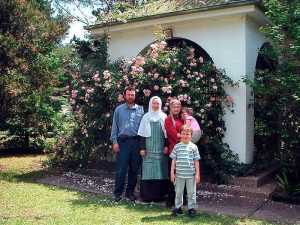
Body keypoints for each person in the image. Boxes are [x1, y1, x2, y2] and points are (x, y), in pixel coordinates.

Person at [110, 86, 144, 202]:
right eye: (129, 94)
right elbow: (114, 128)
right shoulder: (119, 110)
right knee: (121, 169)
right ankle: (117, 194)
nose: (131, 97)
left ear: (135, 96)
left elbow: (143, 129)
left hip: (136, 143)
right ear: (125, 96)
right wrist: (114, 142)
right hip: (123, 143)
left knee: (134, 170)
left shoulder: (140, 110)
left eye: (132, 94)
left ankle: (130, 193)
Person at [137, 96, 169, 201]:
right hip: (148, 148)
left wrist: (166, 146)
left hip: (160, 149)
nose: (156, 105)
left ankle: (160, 196)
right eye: (154, 103)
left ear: (160, 105)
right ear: (151, 104)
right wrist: (142, 148)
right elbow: (141, 134)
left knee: (160, 171)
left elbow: (167, 134)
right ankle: (147, 196)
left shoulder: (164, 117)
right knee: (148, 171)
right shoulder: (146, 117)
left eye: (157, 104)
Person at [170, 124, 201, 218]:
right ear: (180, 134)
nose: (185, 136)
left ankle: (192, 209)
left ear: (191, 135)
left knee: (191, 192)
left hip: (190, 175)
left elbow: (196, 161)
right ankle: (178, 208)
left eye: (188, 134)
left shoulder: (194, 147)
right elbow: (173, 161)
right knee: (178, 192)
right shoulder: (177, 147)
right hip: (179, 175)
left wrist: (197, 174)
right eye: (183, 134)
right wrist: (172, 173)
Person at [164, 99, 184, 207]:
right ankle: (170, 198)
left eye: (177, 107)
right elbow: (174, 135)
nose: (176, 109)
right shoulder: (168, 120)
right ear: (170, 108)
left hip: (185, 152)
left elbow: (188, 130)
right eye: (174, 107)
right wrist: (185, 138)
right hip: (174, 151)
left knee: (183, 175)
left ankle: (181, 197)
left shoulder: (182, 119)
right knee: (172, 176)